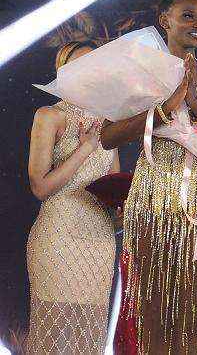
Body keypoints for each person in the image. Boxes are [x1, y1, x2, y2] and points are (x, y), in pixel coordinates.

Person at [101, 0, 197, 354]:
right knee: (152, 308)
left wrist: (195, 104)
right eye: (188, 16)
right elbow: (108, 136)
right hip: (152, 198)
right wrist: (165, 109)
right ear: (164, 20)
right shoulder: (141, 75)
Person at [25, 41, 120, 354]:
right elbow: (40, 187)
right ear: (62, 71)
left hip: (100, 242)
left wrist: (122, 212)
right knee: (54, 335)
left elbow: (112, 186)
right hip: (59, 236)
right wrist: (86, 147)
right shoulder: (49, 116)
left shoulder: (108, 123)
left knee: (88, 337)